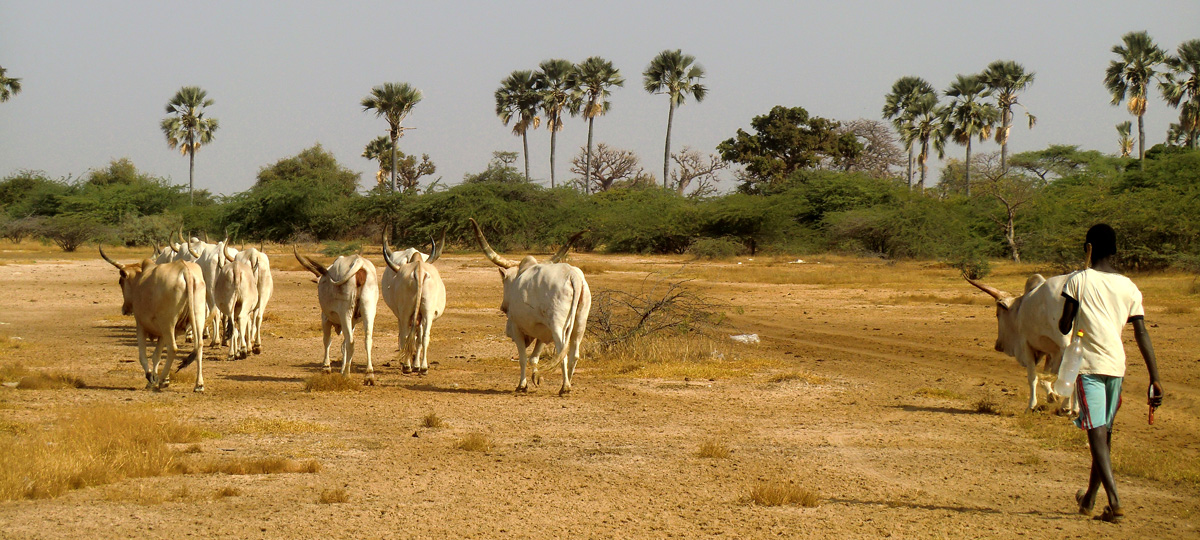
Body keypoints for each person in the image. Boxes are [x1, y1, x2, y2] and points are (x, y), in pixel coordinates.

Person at [1058, 223, 1163, 524]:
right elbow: (1141, 332)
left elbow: (1065, 327)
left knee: (1096, 432)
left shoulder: (1078, 279)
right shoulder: (1129, 286)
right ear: (1114, 250)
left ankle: (1115, 501)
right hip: (1117, 367)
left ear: (1088, 248)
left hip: (1089, 365)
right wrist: (1155, 377)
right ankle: (1089, 499)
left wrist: (1072, 301)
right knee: (1103, 433)